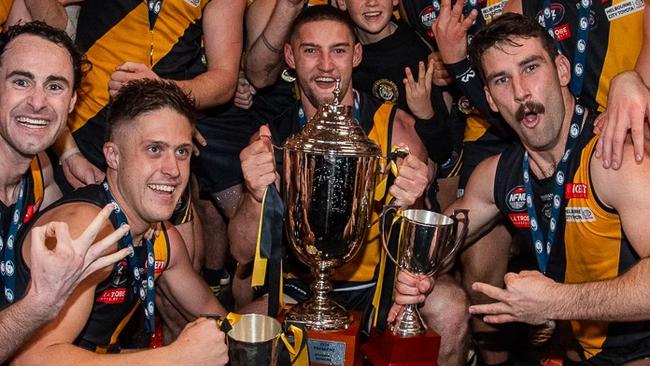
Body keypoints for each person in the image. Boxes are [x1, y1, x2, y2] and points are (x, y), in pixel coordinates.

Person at [397, 13, 650, 364]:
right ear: (489, 97)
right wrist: (412, 203)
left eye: (531, 68)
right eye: (502, 80)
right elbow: (433, 247)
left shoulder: (613, 158)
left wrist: (555, 302)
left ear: (562, 70)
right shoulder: (498, 174)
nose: (520, 92)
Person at [229, 5, 470, 366]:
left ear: (356, 55)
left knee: (450, 307)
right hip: (302, 286)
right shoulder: (271, 139)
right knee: (247, 330)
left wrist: (414, 201)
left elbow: (433, 254)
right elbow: (242, 253)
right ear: (291, 57)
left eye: (338, 50)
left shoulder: (396, 130)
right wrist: (253, 194)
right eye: (311, 50)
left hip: (378, 285)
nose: (326, 66)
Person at [11, 79, 229, 365]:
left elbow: (214, 316)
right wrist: (176, 357)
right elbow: (30, 360)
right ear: (113, 156)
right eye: (154, 149)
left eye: (181, 152)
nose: (173, 169)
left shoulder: (160, 237)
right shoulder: (87, 232)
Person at [0, 21, 132, 362]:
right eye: (21, 81)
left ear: (72, 102)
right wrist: (40, 303)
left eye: (54, 86)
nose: (38, 102)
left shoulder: (39, 175)